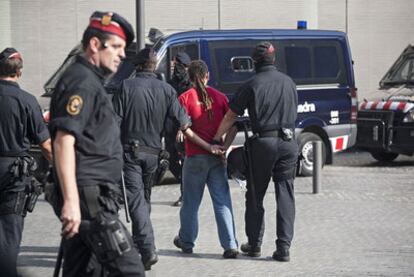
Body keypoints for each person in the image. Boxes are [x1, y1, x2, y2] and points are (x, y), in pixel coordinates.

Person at [48, 11, 145, 276]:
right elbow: (63, 141)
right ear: (94, 44)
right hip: (91, 201)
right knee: (131, 270)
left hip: (94, 197)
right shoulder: (81, 82)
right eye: (116, 47)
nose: (122, 55)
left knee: (84, 272)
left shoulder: (89, 80)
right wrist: (70, 202)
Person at [213, 42, 298, 262]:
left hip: (264, 144)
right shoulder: (289, 82)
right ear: (274, 59)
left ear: (255, 62)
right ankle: (284, 247)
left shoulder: (252, 84)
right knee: (285, 194)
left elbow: (231, 115)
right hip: (289, 143)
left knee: (255, 194)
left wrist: (215, 138)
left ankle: (254, 244)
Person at [112, 47, 191, 270]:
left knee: (136, 200)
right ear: (154, 66)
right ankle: (140, 244)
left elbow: (113, 122)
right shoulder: (166, 89)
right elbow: (183, 121)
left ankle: (147, 249)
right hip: (154, 155)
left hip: (130, 153)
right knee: (143, 199)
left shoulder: (126, 86)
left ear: (136, 66)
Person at [173, 60, 239, 259]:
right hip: (216, 159)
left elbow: (185, 129)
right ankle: (230, 244)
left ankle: (186, 241)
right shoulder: (220, 97)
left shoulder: (185, 98)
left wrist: (206, 146)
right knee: (222, 201)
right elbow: (233, 126)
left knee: (191, 203)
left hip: (194, 158)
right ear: (207, 75)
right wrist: (223, 149)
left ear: (190, 77)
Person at [0, 47, 52, 277]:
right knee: (10, 233)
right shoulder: (27, 101)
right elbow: (45, 144)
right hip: (13, 174)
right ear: (19, 72)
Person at [166, 52, 192, 207]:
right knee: (171, 161)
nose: (176, 68)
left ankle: (185, 194)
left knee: (185, 162)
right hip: (170, 128)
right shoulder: (171, 83)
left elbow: (189, 109)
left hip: (185, 129)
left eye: (178, 65)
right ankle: (185, 185)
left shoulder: (190, 85)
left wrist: (183, 128)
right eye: (175, 65)